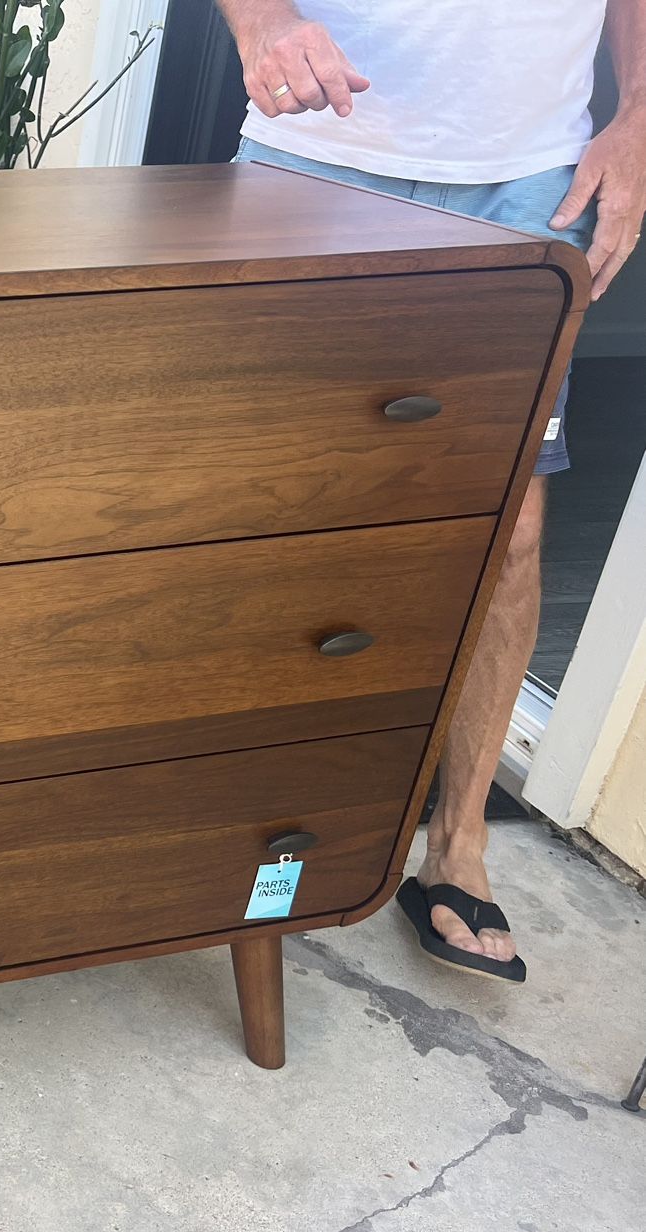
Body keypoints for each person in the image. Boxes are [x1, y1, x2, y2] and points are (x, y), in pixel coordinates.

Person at [215, 0, 646, 983]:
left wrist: (636, 127)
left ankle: (453, 847)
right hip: (312, 154)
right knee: (258, 513)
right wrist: (260, 23)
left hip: (532, 183)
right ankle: (218, 821)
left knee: (509, 531)